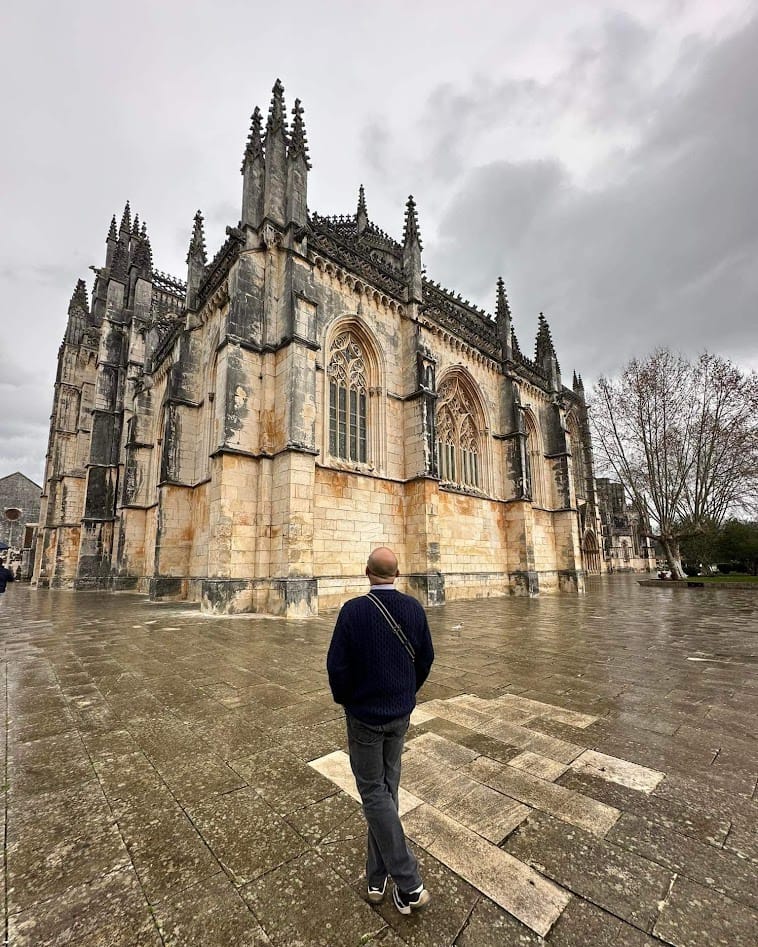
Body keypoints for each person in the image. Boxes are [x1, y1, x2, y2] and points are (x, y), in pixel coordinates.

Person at [327, 546, 435, 915]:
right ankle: (376, 878)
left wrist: (349, 700)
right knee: (386, 791)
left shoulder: (353, 611)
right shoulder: (414, 608)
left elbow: (337, 667)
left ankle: (408, 881)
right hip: (399, 714)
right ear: (398, 573)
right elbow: (426, 659)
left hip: (365, 718)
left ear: (366, 571)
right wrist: (405, 692)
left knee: (374, 793)